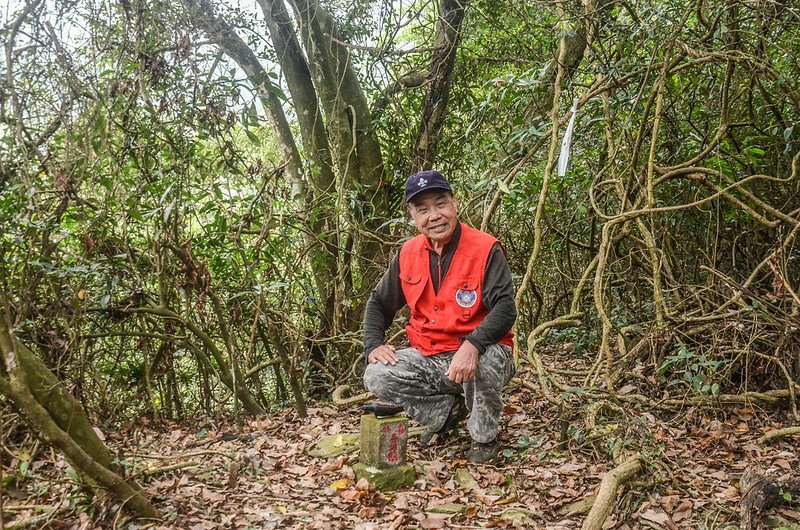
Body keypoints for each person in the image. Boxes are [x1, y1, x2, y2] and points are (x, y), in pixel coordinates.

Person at [362, 169, 516, 464]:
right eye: (423, 209)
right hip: (429, 354)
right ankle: (446, 414)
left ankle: (484, 439)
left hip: (482, 352)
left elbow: (505, 308)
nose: (434, 216)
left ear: (455, 204)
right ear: (412, 215)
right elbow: (378, 302)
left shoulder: (485, 248)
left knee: (483, 363)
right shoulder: (407, 253)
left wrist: (472, 346)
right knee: (377, 375)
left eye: (440, 204)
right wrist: (373, 345)